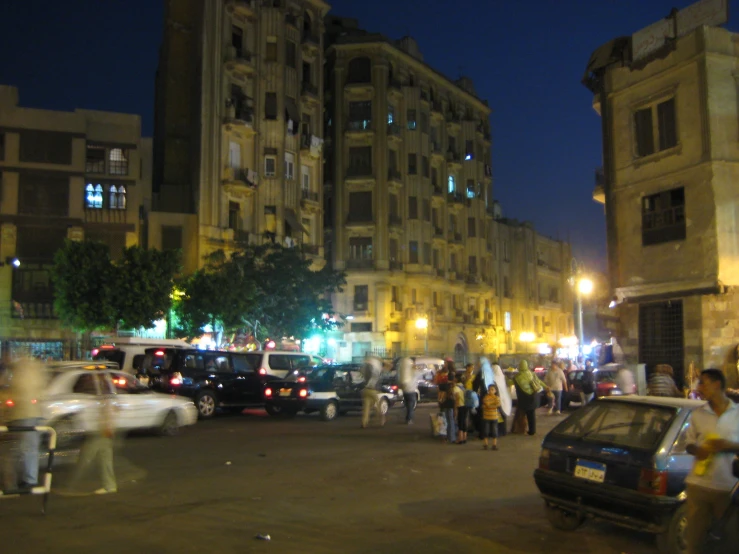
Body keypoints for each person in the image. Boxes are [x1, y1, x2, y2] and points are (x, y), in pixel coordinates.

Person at [684, 369, 739, 554]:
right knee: (694, 542)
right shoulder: (699, 414)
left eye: (703, 383)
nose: (699, 388)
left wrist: (727, 446)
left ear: (717, 384)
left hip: (728, 489)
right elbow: (689, 443)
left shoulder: (737, 414)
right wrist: (697, 450)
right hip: (698, 486)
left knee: (728, 542)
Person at [1, 356, 46, 489]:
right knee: (27, 448)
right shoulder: (33, 372)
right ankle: (27, 479)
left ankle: (27, 480)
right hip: (29, 414)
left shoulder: (21, 375)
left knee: (26, 448)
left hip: (24, 415)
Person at [65, 392, 118, 495]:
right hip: (100, 430)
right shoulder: (101, 390)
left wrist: (107, 425)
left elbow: (107, 408)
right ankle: (109, 485)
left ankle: (72, 485)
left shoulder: (100, 390)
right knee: (104, 457)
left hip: (100, 431)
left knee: (87, 457)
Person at [512, 360, 548, 436]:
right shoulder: (532, 374)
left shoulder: (517, 377)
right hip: (533, 397)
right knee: (531, 414)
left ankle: (520, 429)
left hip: (523, 399)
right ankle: (532, 430)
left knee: (521, 414)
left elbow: (510, 382)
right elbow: (539, 382)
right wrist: (546, 387)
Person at [361, 355, 385, 428]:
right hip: (373, 391)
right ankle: (382, 420)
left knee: (366, 408)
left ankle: (364, 422)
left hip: (365, 390)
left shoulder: (365, 369)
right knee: (378, 406)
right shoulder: (376, 372)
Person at [398, 357, 419, 425]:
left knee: (407, 404)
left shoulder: (404, 367)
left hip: (405, 389)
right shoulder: (412, 367)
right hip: (411, 390)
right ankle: (409, 419)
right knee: (411, 405)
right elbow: (416, 374)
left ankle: (407, 416)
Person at [481, 384, 501, 450]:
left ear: (495, 391)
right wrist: (492, 406)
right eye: (489, 390)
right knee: (486, 431)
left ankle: (494, 445)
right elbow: (487, 404)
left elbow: (497, 404)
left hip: (494, 417)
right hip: (486, 417)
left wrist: (489, 406)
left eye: (492, 389)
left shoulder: (497, 398)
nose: (490, 391)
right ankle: (485, 444)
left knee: (495, 432)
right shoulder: (486, 397)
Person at [439, 372, 457, 444]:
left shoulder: (443, 386)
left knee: (443, 422)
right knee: (451, 422)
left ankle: (444, 438)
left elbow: (440, 397)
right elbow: (455, 399)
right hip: (451, 406)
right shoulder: (454, 387)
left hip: (443, 406)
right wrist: (456, 409)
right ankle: (452, 438)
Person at [454, 377, 468, 444]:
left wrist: (455, 409)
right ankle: (465, 438)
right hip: (466, 406)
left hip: (460, 406)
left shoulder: (456, 388)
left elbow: (457, 399)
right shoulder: (464, 386)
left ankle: (460, 439)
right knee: (464, 422)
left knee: (460, 423)